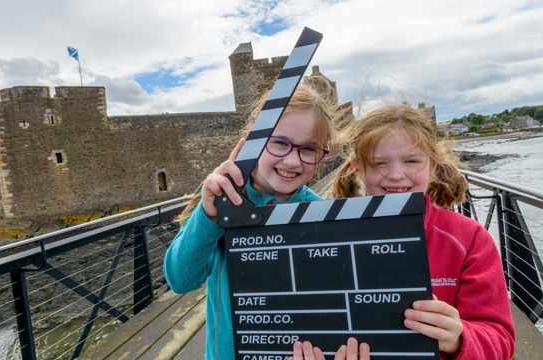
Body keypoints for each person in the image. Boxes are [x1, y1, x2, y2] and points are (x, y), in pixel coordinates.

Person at [163, 81, 345, 359]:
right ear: (253, 142)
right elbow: (180, 280)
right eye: (280, 143)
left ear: (322, 154)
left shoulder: (320, 212)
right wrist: (208, 217)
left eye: (309, 149)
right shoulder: (221, 199)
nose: (293, 162)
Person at [331, 103, 515, 359]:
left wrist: (458, 340)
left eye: (412, 161)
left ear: (432, 166)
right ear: (358, 169)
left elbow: (501, 341)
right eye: (379, 163)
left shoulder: (469, 239)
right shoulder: (332, 239)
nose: (396, 175)